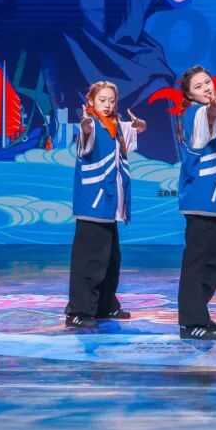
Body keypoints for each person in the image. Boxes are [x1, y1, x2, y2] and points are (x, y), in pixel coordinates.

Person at [65, 81, 147, 328]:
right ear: (91, 101)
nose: (108, 104)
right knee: (89, 261)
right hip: (93, 205)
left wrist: (140, 125)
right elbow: (85, 137)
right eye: (102, 100)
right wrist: (85, 126)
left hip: (110, 207)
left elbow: (136, 131)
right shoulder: (91, 125)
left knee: (111, 260)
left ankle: (105, 305)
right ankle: (78, 311)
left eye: (111, 100)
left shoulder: (115, 126)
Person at [176, 66, 216, 340]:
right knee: (198, 263)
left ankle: (198, 311)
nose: (206, 88)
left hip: (214, 202)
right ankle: (191, 322)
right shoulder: (196, 113)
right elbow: (209, 114)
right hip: (201, 199)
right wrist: (213, 106)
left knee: (214, 265)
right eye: (198, 87)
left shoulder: (209, 112)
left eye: (208, 82)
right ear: (189, 95)